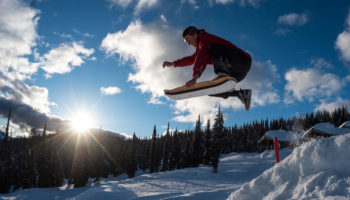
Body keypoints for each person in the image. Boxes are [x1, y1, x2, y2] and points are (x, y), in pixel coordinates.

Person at [162, 26, 252, 110]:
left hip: (242, 59)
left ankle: (223, 75)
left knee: (213, 47)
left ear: (194, 34)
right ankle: (241, 94)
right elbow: (192, 59)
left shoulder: (205, 39)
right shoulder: (201, 47)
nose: (189, 44)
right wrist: (173, 64)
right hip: (237, 72)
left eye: (188, 40)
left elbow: (201, 57)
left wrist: (195, 77)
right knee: (213, 90)